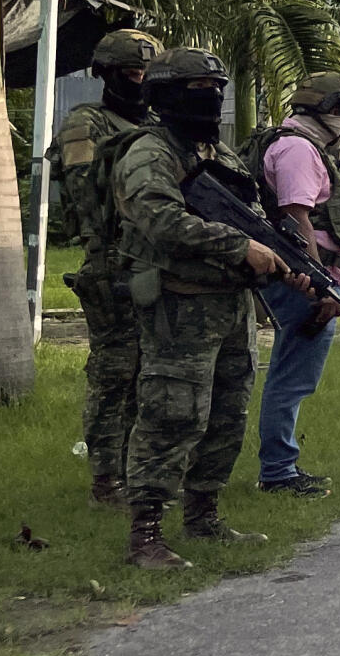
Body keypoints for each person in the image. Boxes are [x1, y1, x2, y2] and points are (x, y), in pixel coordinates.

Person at [113, 48, 304, 568]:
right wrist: (238, 248)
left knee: (226, 415)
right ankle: (145, 535)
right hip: (179, 305)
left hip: (230, 307)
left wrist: (286, 263)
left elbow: (255, 221)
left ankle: (204, 516)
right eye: (197, 90)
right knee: (171, 415)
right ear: (165, 97)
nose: (212, 101)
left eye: (216, 90)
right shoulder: (150, 154)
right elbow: (160, 221)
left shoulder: (221, 156)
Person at [247, 71, 340, 498]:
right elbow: (295, 217)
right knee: (291, 378)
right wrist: (321, 284)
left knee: (294, 375)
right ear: (330, 112)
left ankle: (279, 467)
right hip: (301, 277)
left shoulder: (309, 147)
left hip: (309, 273)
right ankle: (279, 472)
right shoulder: (297, 150)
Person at [53, 28, 161, 506]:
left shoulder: (157, 124)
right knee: (115, 374)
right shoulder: (86, 124)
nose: (139, 82)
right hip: (111, 262)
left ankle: (138, 473)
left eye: (145, 73)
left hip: (154, 263)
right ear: (107, 75)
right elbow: (86, 196)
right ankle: (106, 481)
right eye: (131, 74)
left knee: (151, 373)